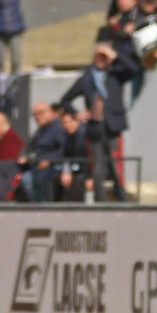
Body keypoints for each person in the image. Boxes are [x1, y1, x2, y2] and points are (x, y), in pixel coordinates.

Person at [59, 36, 142, 202]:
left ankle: (122, 201)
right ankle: (101, 203)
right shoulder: (87, 77)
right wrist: (78, 114)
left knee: (116, 167)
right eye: (99, 56)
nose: (101, 60)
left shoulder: (115, 74)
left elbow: (134, 69)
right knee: (97, 170)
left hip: (112, 127)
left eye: (104, 57)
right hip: (95, 129)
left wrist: (114, 56)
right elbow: (65, 100)